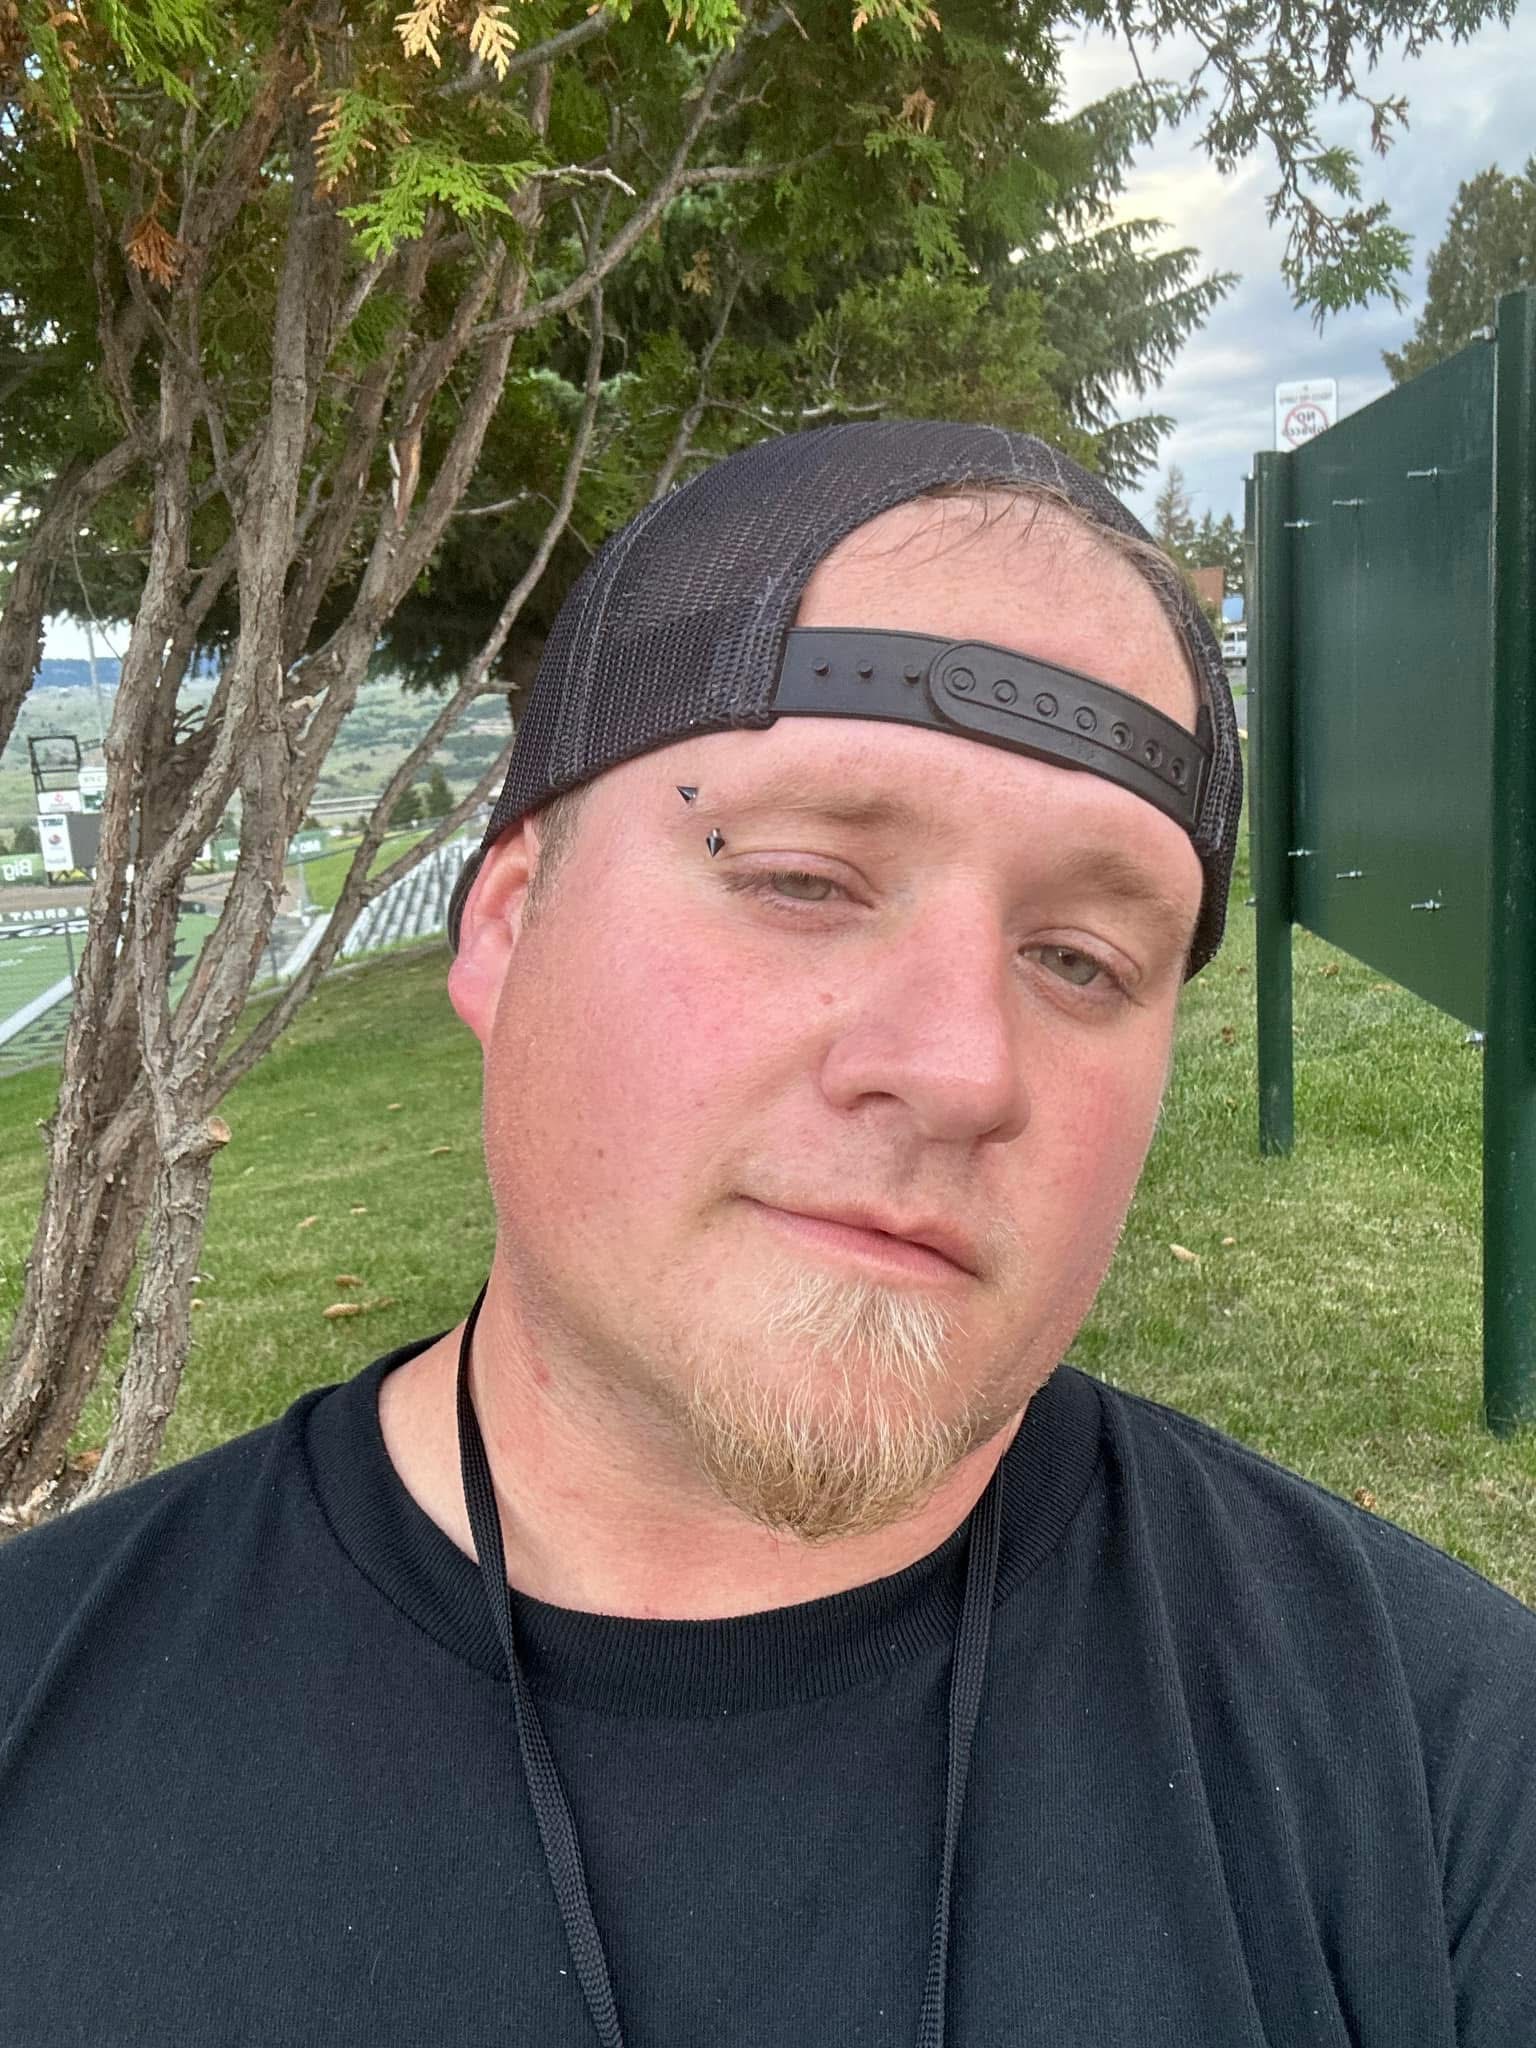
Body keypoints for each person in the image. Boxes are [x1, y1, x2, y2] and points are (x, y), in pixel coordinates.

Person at [1, 424, 1531, 2048]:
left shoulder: (1452, 1780)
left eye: (1082, 959)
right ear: (506, 925)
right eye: (802, 880)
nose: (962, 1068)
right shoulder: (42, 1711)